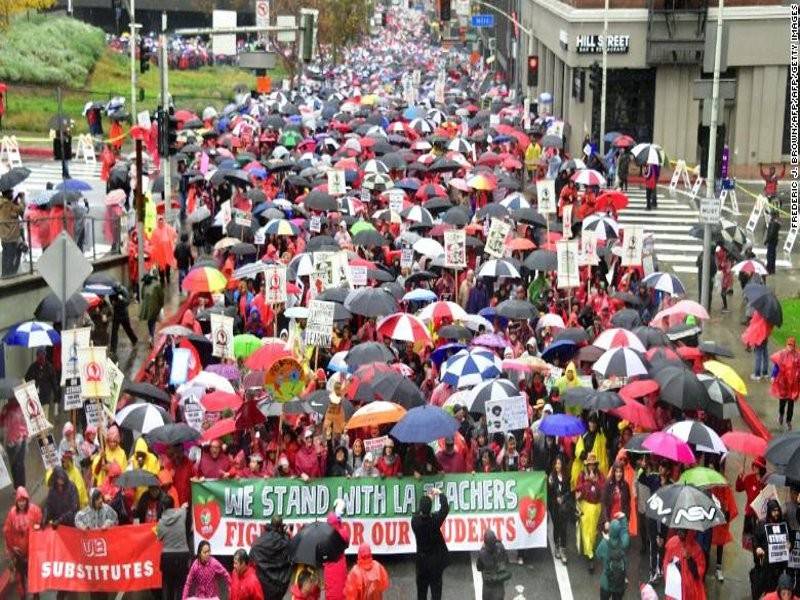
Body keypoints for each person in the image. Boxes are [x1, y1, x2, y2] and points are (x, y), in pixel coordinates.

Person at [3, 486, 42, 599]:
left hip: (32, 553)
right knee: (20, 579)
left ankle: (36, 596)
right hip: (18, 555)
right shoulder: (12, 513)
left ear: (27, 500)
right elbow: (7, 531)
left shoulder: (34, 510)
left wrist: (37, 528)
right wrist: (12, 548)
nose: (21, 503)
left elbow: (40, 522)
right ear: (16, 501)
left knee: (33, 577)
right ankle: (23, 596)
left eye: (23, 500)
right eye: (19, 501)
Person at [411, 487, 449, 600]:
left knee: (421, 592)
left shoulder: (415, 522)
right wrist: (440, 494)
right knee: (436, 591)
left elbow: (418, 512)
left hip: (422, 563)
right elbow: (445, 509)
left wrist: (427, 500)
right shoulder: (435, 521)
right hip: (435, 563)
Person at [157, 496, 191, 600]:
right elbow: (186, 506)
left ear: (162, 507)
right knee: (181, 586)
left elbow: (159, 537)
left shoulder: (161, 522)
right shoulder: (182, 513)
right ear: (173, 504)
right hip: (182, 555)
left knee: (168, 586)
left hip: (167, 557)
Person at [576, 453, 605, 572]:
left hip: (597, 507)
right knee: (586, 531)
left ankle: (590, 550)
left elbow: (603, 490)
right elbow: (578, 490)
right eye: (589, 464)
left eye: (593, 464)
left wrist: (595, 482)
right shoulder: (582, 475)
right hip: (585, 506)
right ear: (586, 465)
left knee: (593, 532)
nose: (591, 467)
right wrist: (588, 482)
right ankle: (590, 556)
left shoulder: (600, 475)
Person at [250, 517, 292, 600]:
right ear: (281, 525)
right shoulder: (283, 540)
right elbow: (290, 552)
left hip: (264, 581)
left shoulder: (263, 538)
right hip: (279, 583)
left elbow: (253, 550)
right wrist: (287, 536)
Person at [754, 499, 790, 596]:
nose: (776, 513)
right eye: (773, 511)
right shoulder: (762, 524)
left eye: (777, 510)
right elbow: (756, 539)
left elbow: (790, 538)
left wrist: (790, 544)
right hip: (766, 567)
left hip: (780, 567)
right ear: (769, 511)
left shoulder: (784, 524)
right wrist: (758, 548)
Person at [662, 529, 706, 600]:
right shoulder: (672, 543)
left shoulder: (696, 549)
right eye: (679, 529)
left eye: (683, 530)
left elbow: (698, 574)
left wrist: (689, 559)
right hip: (674, 588)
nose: (679, 532)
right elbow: (666, 563)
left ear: (689, 532)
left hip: (689, 592)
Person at [596, 513, 630, 600]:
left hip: (606, 582)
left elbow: (598, 555)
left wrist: (605, 538)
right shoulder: (624, 543)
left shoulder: (604, 543)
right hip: (619, 582)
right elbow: (625, 531)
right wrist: (623, 518)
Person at [547, 454, 572, 565]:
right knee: (556, 527)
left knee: (564, 528)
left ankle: (563, 550)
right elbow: (550, 492)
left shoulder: (566, 477)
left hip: (564, 506)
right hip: (554, 506)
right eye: (556, 463)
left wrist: (563, 498)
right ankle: (556, 546)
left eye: (560, 463)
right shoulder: (552, 476)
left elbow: (569, 491)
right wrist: (551, 485)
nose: (558, 466)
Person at [771, 336, 800, 430]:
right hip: (783, 383)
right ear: (786, 344)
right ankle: (781, 415)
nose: (790, 347)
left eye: (792, 345)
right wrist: (773, 375)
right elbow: (777, 366)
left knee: (791, 404)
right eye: (789, 345)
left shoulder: (797, 356)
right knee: (782, 402)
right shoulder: (782, 354)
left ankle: (788, 421)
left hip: (793, 385)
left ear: (794, 345)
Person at [0, 394, 27, 488]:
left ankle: (21, 488)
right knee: (13, 465)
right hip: (9, 442)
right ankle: (17, 487)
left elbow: (27, 421)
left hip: (21, 440)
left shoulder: (22, 406)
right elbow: (1, 422)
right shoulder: (5, 408)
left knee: (19, 464)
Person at [323, 508, 351, 600]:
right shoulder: (343, 532)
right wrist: (340, 525)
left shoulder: (324, 536)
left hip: (329, 567)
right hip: (341, 565)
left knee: (331, 590)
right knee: (342, 588)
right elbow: (347, 543)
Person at [24, 349, 60, 420]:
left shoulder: (49, 367)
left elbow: (54, 383)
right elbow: (26, 380)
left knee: (44, 418)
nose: (40, 357)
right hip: (34, 398)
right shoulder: (32, 367)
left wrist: (56, 397)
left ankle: (44, 431)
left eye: (42, 355)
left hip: (45, 397)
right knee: (36, 419)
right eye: (39, 355)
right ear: (36, 356)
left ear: (45, 355)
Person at [475, 530, 510, 600]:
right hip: (499, 582)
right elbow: (506, 560)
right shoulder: (500, 546)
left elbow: (479, 567)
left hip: (488, 584)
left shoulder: (482, 553)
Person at [0, 188, 24, 277]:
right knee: (11, 258)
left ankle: (4, 275)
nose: (12, 194)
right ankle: (9, 276)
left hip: (3, 235)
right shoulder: (8, 204)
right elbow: (21, 210)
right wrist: (21, 199)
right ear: (8, 193)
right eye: (11, 192)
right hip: (11, 236)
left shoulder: (2, 203)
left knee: (5, 257)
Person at [109, 287, 138, 356]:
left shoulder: (124, 291)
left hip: (124, 314)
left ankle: (134, 339)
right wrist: (114, 302)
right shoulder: (112, 292)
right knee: (114, 332)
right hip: (116, 314)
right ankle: (113, 349)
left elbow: (127, 302)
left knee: (127, 328)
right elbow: (112, 302)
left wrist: (121, 299)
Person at [140, 267, 165, 343]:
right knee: (153, 321)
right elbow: (161, 296)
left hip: (147, 306)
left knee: (150, 321)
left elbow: (142, 295)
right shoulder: (157, 283)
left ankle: (151, 335)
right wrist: (161, 305)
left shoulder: (145, 283)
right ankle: (151, 335)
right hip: (155, 306)